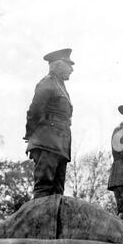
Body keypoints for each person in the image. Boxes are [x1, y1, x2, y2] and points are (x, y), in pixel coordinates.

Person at [24, 48, 74, 199]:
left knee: (57, 191)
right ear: (58, 65)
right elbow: (34, 111)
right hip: (47, 142)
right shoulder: (47, 83)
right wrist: (31, 134)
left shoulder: (60, 86)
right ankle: (36, 222)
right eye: (69, 65)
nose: (72, 69)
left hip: (60, 145)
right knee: (44, 188)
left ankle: (52, 222)